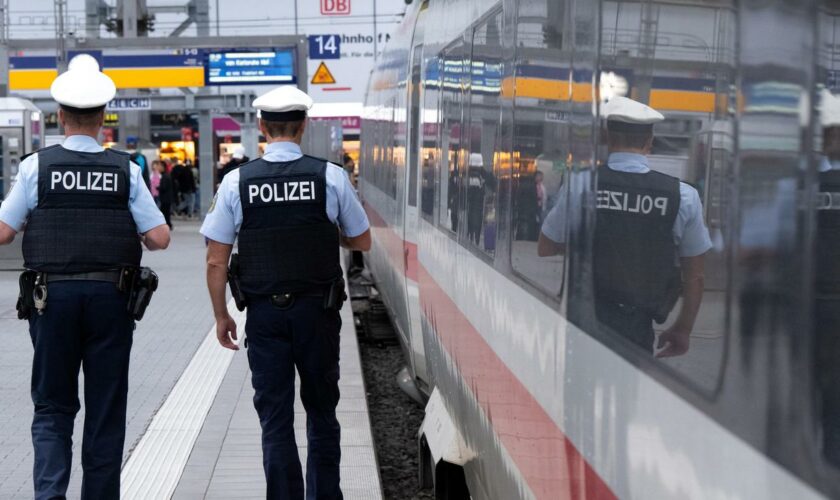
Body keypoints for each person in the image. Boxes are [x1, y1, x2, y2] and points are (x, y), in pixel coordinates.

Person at [0, 54, 170, 499]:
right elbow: (160, 237)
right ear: (102, 118)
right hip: (112, 302)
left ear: (60, 117)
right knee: (105, 410)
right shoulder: (126, 170)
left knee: (53, 407)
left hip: (50, 301)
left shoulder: (36, 167)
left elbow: (2, 232)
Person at [201, 85, 371, 500]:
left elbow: (215, 259)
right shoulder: (329, 176)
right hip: (318, 315)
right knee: (321, 413)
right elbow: (362, 241)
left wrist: (222, 315)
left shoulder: (237, 181)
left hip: (265, 316)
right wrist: (327, 234)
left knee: (275, 419)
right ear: (303, 126)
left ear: (261, 127)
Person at [539, 96, 711, 356]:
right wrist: (682, 329)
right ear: (649, 141)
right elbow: (695, 276)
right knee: (627, 393)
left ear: (607, 137)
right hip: (636, 328)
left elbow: (545, 246)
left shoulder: (581, 185)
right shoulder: (683, 196)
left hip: (583, 321)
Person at [154, 159, 174, 229]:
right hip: (166, 198)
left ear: (163, 167)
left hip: (165, 198)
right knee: (166, 213)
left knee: (165, 213)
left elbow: (164, 187)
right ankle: (168, 225)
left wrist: (158, 187)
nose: (158, 168)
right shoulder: (165, 175)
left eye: (159, 166)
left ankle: (167, 225)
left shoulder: (165, 176)